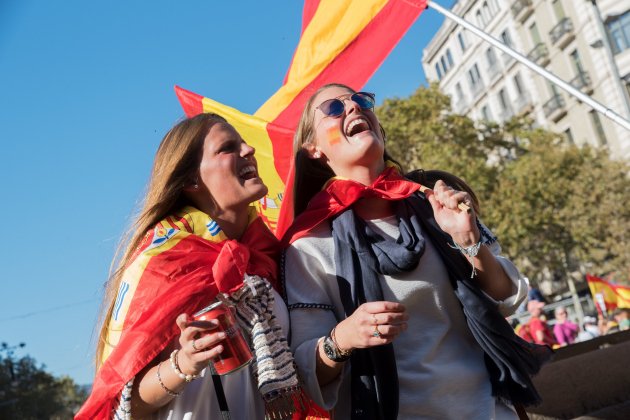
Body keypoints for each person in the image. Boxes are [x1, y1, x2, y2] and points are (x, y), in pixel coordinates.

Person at [282, 83, 553, 419]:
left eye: (360, 100)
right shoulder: (308, 244)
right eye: (334, 109)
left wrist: (468, 241)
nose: (353, 107)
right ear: (314, 150)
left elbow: (507, 296)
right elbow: (307, 371)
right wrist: (345, 336)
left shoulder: (436, 203)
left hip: (491, 410)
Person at [77, 114, 304, 419]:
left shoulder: (266, 255)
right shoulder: (162, 262)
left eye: (244, 144)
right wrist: (184, 363)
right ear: (191, 180)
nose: (249, 150)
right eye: (228, 147)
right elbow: (122, 403)